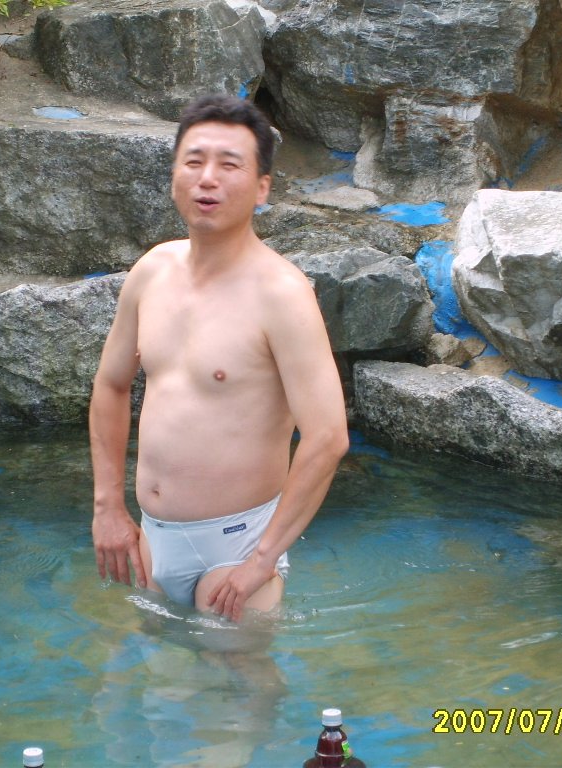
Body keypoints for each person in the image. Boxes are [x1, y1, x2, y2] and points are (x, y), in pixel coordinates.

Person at [89, 94, 349, 623]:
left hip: (236, 552)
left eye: (229, 165)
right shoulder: (152, 272)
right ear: (174, 175)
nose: (207, 178)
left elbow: (327, 436)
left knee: (235, 677)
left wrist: (262, 560)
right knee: (156, 674)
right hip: (151, 541)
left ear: (262, 188)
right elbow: (111, 385)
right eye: (194, 161)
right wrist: (108, 506)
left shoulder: (281, 294)